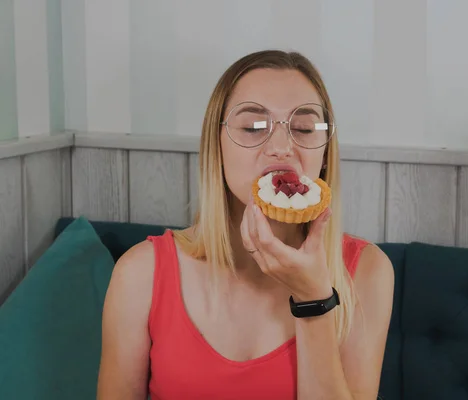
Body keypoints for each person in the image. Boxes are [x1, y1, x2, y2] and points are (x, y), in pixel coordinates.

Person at [97, 50, 394, 400]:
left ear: (325, 153)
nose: (282, 148)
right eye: (253, 127)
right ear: (216, 144)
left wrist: (313, 300)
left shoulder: (367, 273)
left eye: (303, 128)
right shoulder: (139, 274)